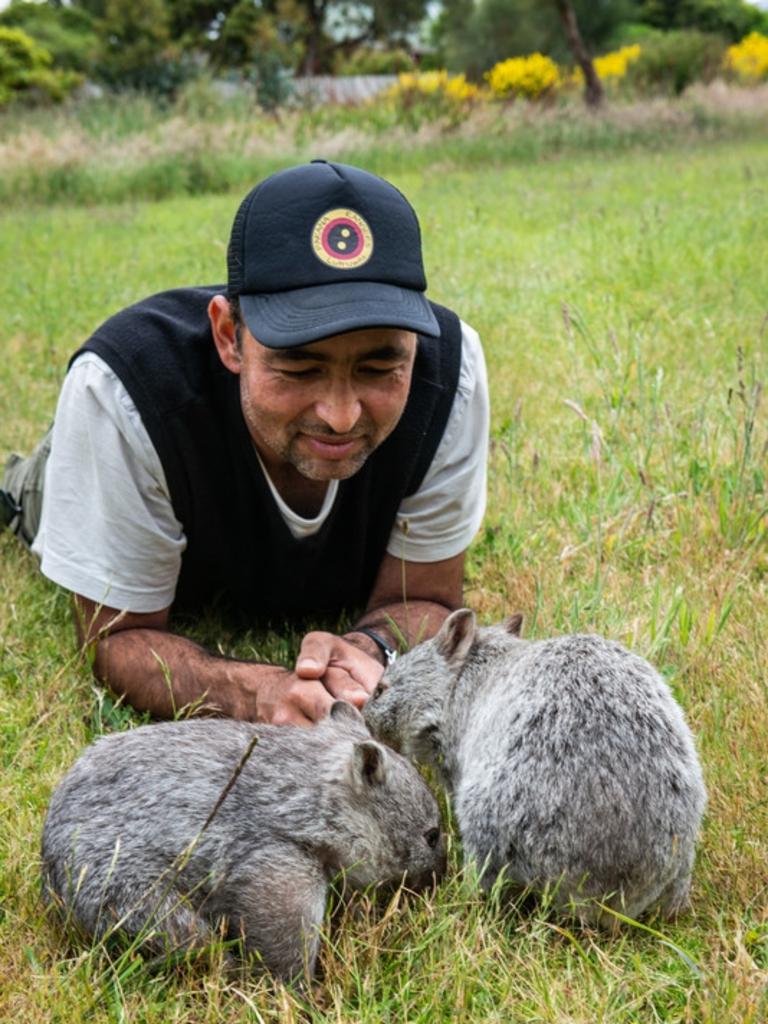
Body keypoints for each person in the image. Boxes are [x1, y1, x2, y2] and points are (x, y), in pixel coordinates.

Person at [1, 160, 489, 726]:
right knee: (30, 489)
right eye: (301, 369)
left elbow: (426, 598)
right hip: (82, 466)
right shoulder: (126, 391)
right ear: (229, 337)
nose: (340, 415)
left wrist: (368, 649)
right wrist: (256, 694)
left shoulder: (449, 375)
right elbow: (119, 638)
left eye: (380, 367)